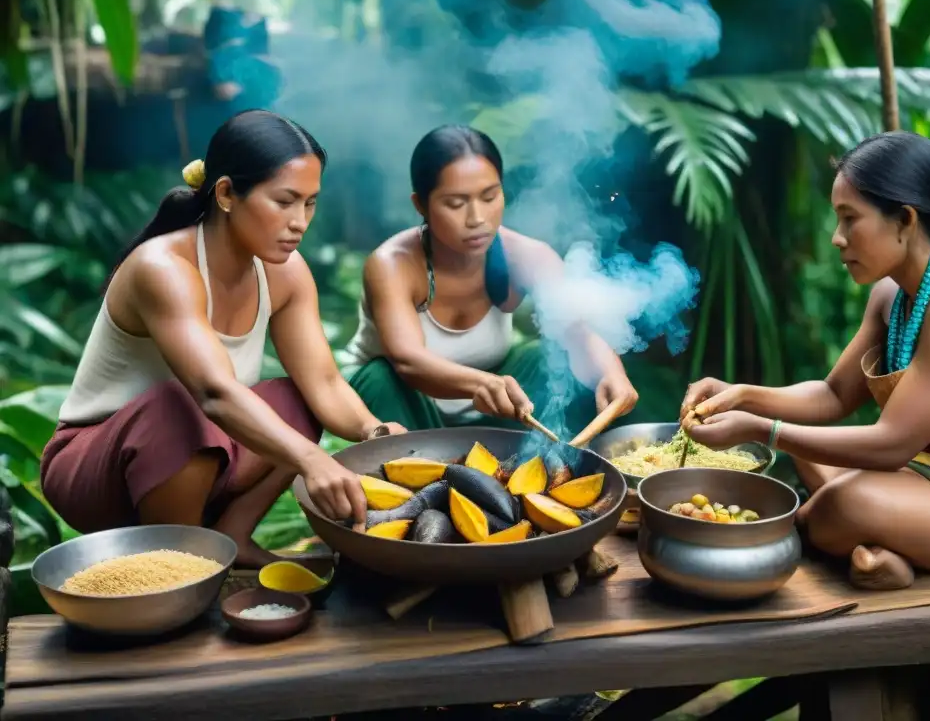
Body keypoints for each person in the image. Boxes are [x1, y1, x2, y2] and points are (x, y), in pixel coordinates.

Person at [40, 109, 406, 568]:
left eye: (310, 203)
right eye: (284, 201)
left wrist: (376, 431)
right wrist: (314, 460)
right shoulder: (164, 269)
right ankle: (180, 562)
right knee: (180, 404)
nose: (300, 222)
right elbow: (213, 393)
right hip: (93, 469)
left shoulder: (286, 273)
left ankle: (232, 538)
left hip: (200, 454)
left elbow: (326, 385)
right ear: (228, 193)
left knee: (297, 399)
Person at [680, 130, 930, 590]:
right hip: (928, 472)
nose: (837, 239)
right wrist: (742, 396)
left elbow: (893, 444)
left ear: (905, 219)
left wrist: (763, 430)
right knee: (814, 467)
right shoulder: (893, 293)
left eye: (849, 219)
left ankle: (864, 540)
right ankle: (882, 554)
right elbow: (832, 395)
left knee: (841, 506)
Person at [337, 124, 639, 435]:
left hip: (489, 414)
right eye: (456, 203)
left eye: (489, 196)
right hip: (402, 415)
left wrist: (611, 372)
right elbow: (408, 362)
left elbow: (577, 329)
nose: (477, 218)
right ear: (421, 205)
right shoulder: (392, 264)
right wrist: (482, 383)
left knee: (546, 356)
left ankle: (547, 466)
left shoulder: (526, 255)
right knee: (380, 377)